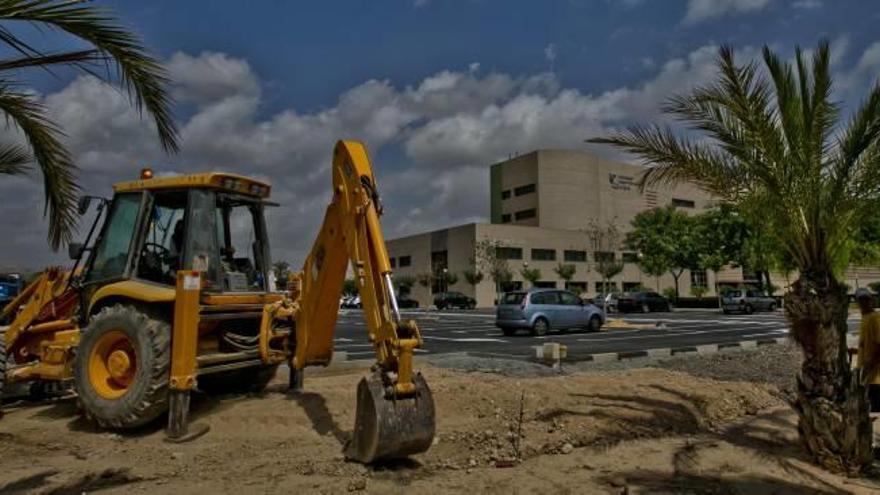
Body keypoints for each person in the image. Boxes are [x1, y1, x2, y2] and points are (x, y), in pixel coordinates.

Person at [855, 288, 880, 413]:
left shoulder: (875, 318)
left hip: (875, 376)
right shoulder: (865, 318)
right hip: (866, 372)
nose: (864, 302)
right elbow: (867, 344)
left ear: (872, 300)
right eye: (861, 300)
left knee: (874, 410)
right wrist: (856, 351)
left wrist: (871, 364)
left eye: (866, 299)